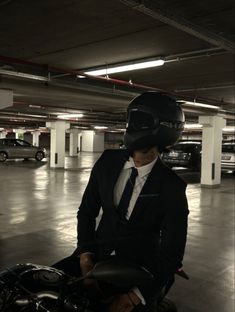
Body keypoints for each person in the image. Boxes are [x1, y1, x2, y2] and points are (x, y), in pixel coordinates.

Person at [54, 91, 189, 312]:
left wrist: (133, 297)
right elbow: (86, 211)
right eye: (131, 119)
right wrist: (85, 256)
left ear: (165, 128)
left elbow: (172, 253)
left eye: (140, 120)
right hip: (94, 257)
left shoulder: (172, 187)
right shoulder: (107, 162)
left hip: (139, 270)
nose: (131, 126)